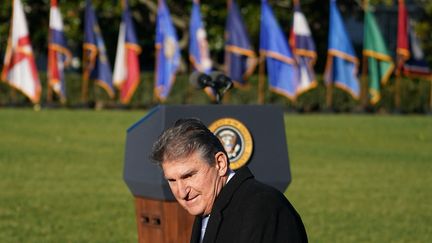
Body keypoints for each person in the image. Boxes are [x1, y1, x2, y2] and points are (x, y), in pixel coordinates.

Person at [150, 118, 308, 243]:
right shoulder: (208, 207)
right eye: (172, 180)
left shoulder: (264, 208)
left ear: (220, 163)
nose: (182, 192)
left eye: (188, 176)